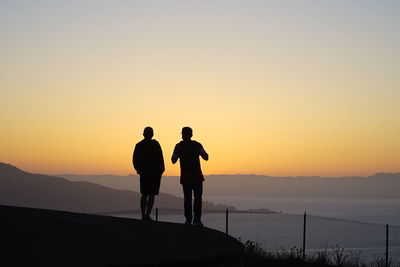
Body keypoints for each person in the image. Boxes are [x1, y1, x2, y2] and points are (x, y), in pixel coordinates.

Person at [171, 127, 209, 226]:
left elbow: (173, 160)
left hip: (186, 177)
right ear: (191, 135)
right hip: (197, 177)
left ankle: (188, 220)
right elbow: (206, 157)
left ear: (183, 135)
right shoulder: (197, 145)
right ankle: (197, 220)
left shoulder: (178, 146)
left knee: (187, 199)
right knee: (198, 199)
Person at [132, 127, 165, 221]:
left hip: (146, 174)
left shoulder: (139, 145)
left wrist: (139, 170)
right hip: (153, 174)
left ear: (143, 134)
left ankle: (144, 215)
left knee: (145, 194)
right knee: (150, 194)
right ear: (152, 134)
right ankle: (146, 215)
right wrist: (161, 171)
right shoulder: (155, 144)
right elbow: (160, 158)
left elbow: (135, 160)